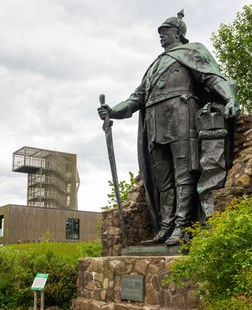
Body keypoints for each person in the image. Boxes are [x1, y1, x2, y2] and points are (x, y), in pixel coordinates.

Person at [98, 10, 238, 246]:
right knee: (163, 181)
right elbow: (136, 100)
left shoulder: (192, 51)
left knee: (184, 176)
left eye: (165, 31)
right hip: (155, 125)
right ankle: (165, 227)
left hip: (182, 118)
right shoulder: (153, 67)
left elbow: (211, 78)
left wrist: (230, 98)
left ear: (178, 32)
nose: (161, 36)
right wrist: (112, 111)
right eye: (160, 32)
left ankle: (182, 227)